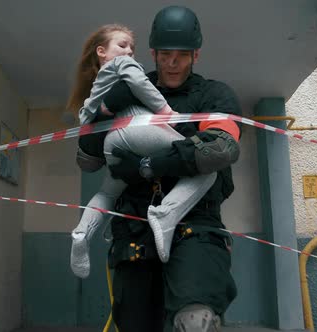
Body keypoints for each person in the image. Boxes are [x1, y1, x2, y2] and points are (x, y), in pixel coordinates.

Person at [76, 6, 242, 332]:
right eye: (164, 54)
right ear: (152, 52)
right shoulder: (129, 87)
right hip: (135, 229)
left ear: (196, 54)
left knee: (197, 322)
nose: (171, 63)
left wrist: (148, 166)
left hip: (195, 225)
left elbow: (220, 149)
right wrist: (102, 110)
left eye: (181, 55)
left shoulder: (214, 95)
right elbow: (88, 159)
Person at [68, 24, 217, 279]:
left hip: (112, 143)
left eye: (132, 48)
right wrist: (166, 112)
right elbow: (141, 84)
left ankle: (82, 233)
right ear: (101, 51)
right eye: (122, 45)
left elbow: (86, 122)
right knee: (204, 166)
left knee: (107, 192)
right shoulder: (122, 65)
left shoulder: (94, 89)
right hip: (139, 129)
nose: (129, 52)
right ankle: (165, 214)